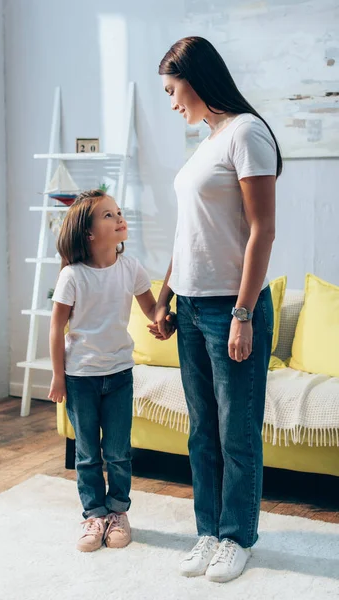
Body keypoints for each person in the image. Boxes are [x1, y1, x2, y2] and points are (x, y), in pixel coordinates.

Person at [151, 36, 281, 583]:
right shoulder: (207, 142)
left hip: (233, 306)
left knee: (236, 432)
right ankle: (208, 530)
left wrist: (244, 314)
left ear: (196, 78)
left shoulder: (248, 133)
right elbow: (188, 237)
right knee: (202, 429)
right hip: (190, 304)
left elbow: (262, 231)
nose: (172, 101)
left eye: (172, 89)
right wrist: (162, 295)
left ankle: (237, 537)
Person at [48, 189, 173, 552]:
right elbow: (57, 327)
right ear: (88, 233)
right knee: (87, 454)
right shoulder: (72, 276)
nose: (119, 218)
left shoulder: (131, 267)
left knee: (118, 452)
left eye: (118, 212)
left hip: (119, 374)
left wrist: (165, 320)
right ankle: (94, 514)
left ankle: (118, 512)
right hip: (80, 377)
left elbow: (151, 310)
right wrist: (58, 375)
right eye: (108, 215)